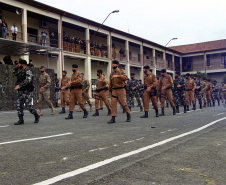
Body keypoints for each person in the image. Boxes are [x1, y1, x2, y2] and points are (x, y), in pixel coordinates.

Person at [13, 59, 40, 125]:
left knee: (28, 106)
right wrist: (16, 68)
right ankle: (21, 119)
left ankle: (36, 115)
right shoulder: (20, 71)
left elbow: (28, 80)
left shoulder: (28, 71)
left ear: (22, 64)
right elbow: (14, 73)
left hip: (27, 91)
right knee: (19, 105)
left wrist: (19, 85)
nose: (18, 65)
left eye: (19, 64)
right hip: (21, 91)